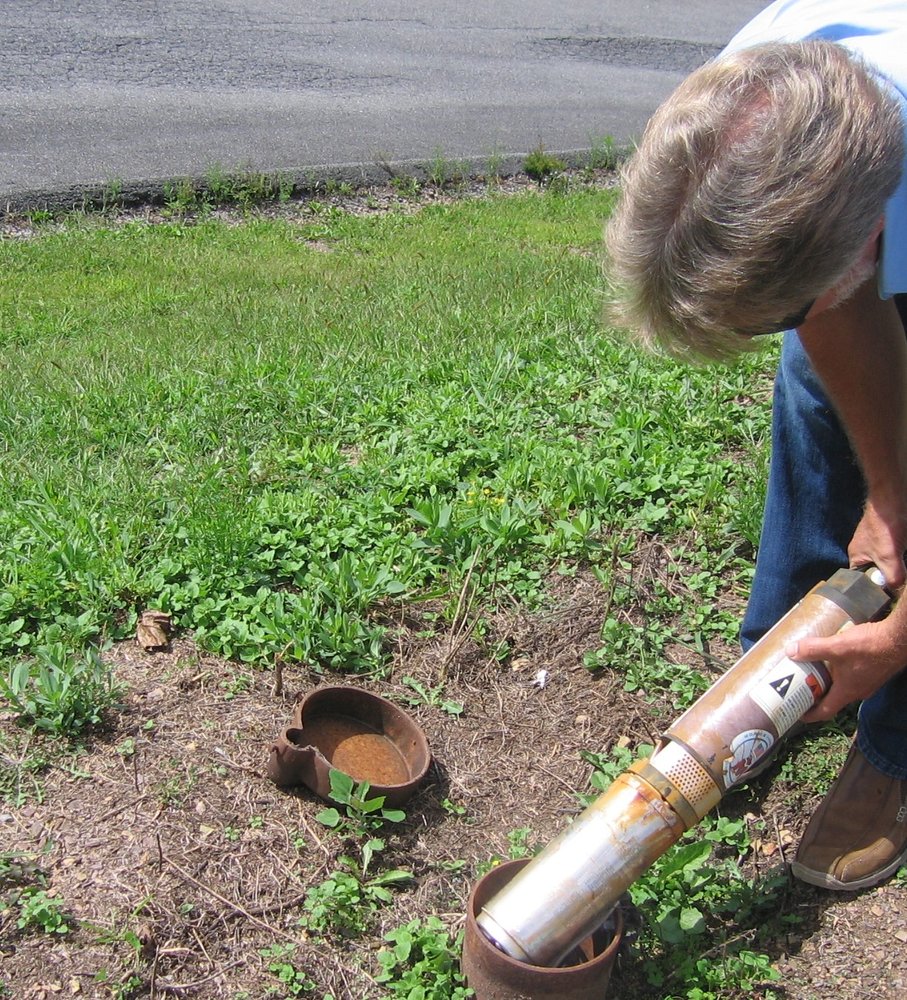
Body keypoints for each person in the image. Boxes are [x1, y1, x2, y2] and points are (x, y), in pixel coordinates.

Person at [605, 0, 907, 891]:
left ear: (866, 237)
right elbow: (833, 311)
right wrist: (891, 491)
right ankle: (776, 674)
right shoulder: (761, 91)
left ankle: (892, 755)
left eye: (782, 312)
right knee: (815, 380)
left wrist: (898, 645)